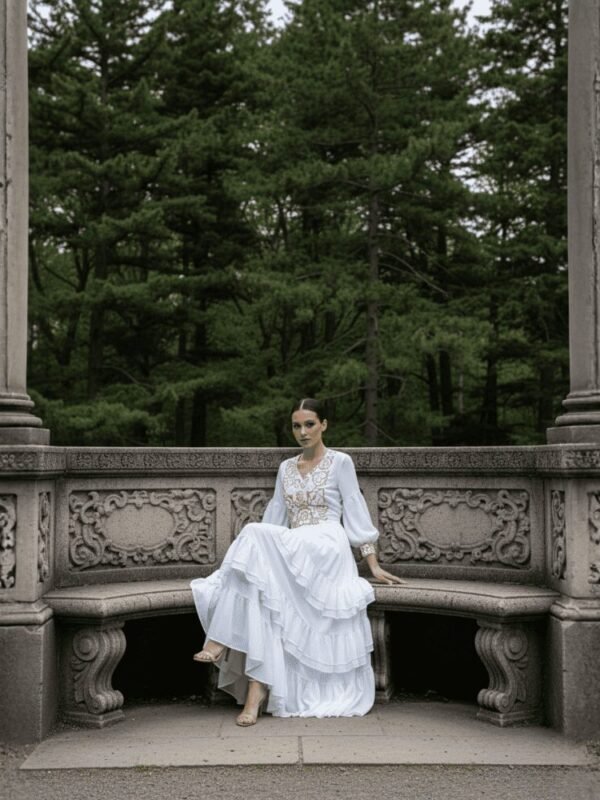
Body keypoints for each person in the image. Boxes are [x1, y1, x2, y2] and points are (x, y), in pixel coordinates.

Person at [190, 398, 403, 726]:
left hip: (328, 545)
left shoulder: (340, 462)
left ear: (324, 425)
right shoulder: (286, 468)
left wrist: (371, 563)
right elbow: (275, 516)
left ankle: (220, 640)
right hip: (297, 545)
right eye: (296, 426)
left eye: (309, 424)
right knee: (262, 588)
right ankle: (256, 691)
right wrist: (261, 560)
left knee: (253, 534)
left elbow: (355, 509)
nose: (303, 432)